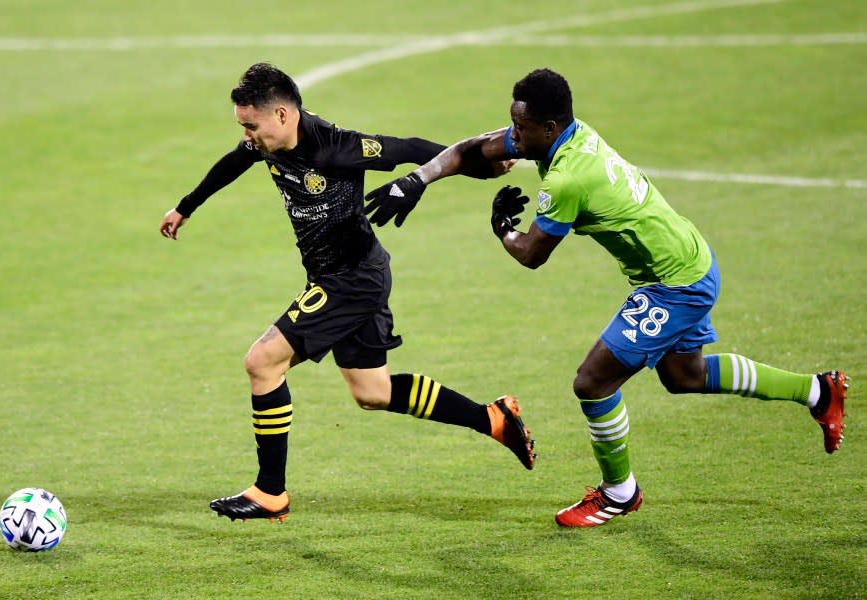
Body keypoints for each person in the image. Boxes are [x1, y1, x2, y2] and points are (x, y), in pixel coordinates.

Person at [363, 67, 848, 528]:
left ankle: (620, 493)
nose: (513, 136)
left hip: (673, 284)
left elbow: (532, 255)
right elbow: (476, 149)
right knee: (685, 376)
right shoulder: (563, 135)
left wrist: (503, 232)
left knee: (592, 382)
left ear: (549, 127)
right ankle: (818, 391)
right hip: (688, 258)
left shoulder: (571, 177)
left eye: (521, 127)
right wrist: (416, 180)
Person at [158, 62, 535, 523]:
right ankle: (494, 419)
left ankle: (270, 492)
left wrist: (490, 166)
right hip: (348, 275)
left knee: (262, 362)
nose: (247, 136)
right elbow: (236, 160)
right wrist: (186, 206)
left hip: (350, 281)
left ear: (281, 116)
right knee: (372, 391)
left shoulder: (337, 148)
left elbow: (412, 148)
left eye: (250, 126)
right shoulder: (269, 140)